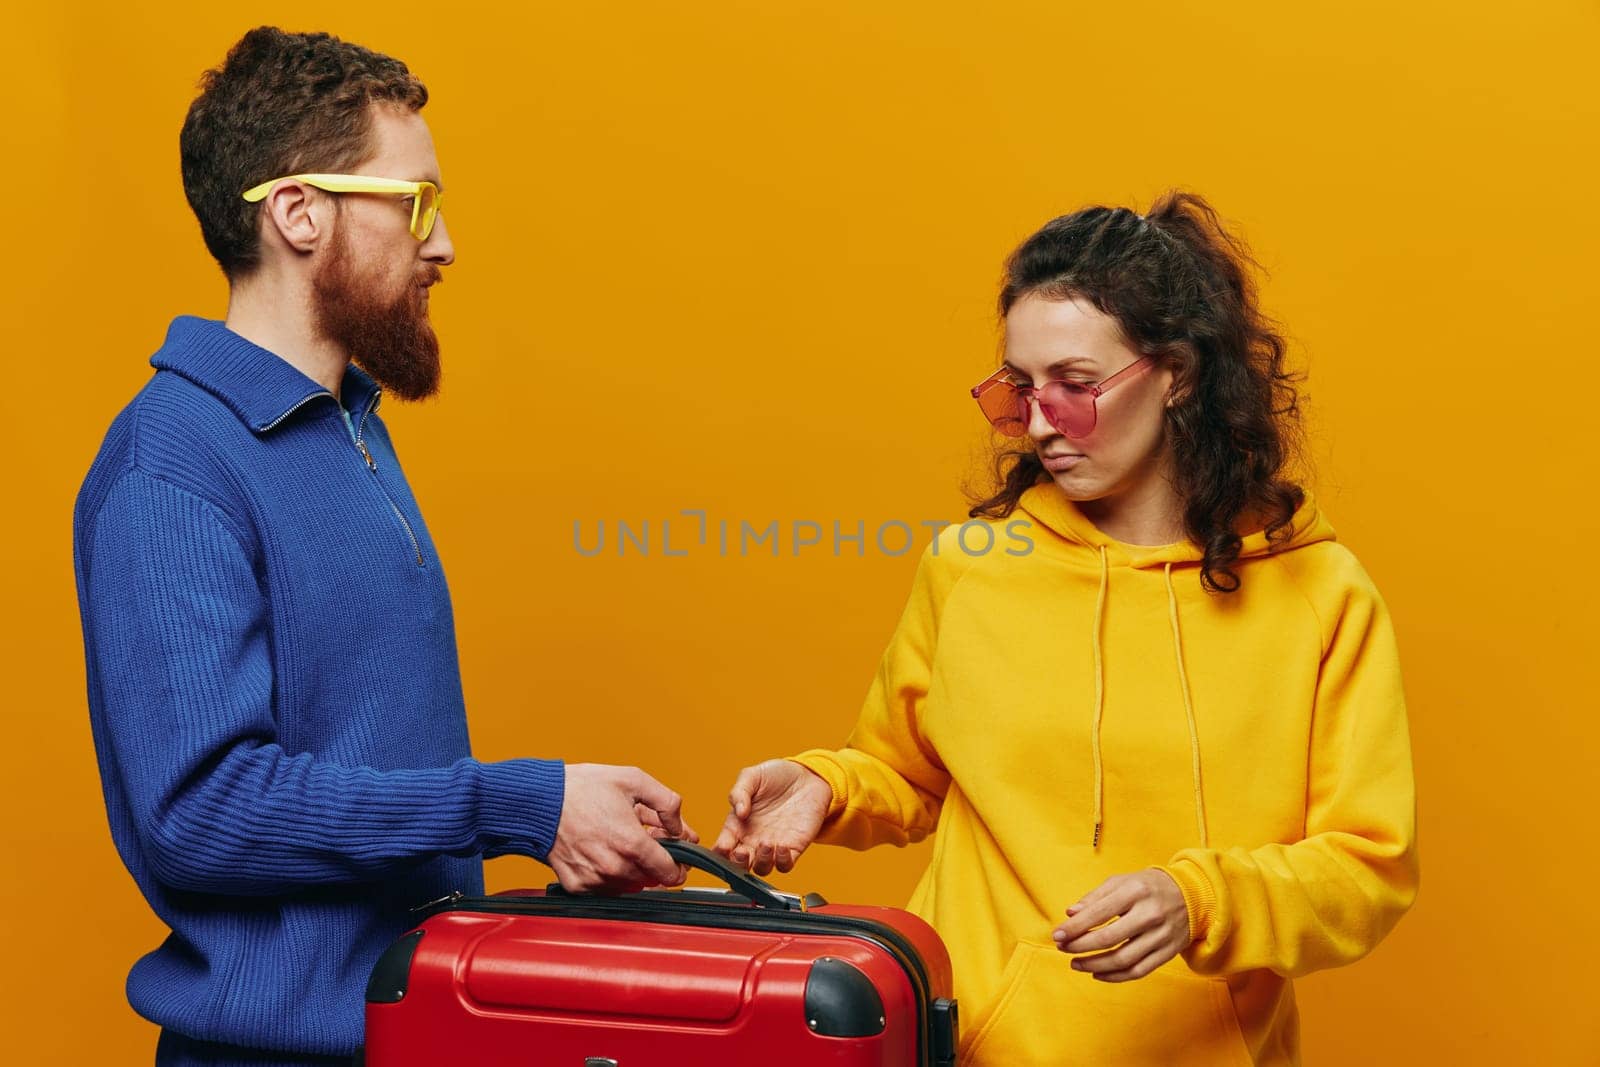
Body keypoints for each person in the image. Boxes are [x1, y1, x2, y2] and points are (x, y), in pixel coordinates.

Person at [71, 27, 694, 1067]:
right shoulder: (172, 463)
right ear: (298, 213)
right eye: (415, 204)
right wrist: (521, 803)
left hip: (419, 1030)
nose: (442, 245)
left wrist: (561, 820)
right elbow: (200, 810)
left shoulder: (350, 423)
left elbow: (366, 752)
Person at [714, 192, 1418, 1065]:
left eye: (1077, 386)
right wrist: (826, 785)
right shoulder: (972, 564)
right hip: (964, 1045)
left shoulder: (1320, 591)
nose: (1041, 420)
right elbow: (906, 769)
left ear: (1178, 374)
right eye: (1020, 388)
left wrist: (1200, 899)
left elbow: (1366, 869)